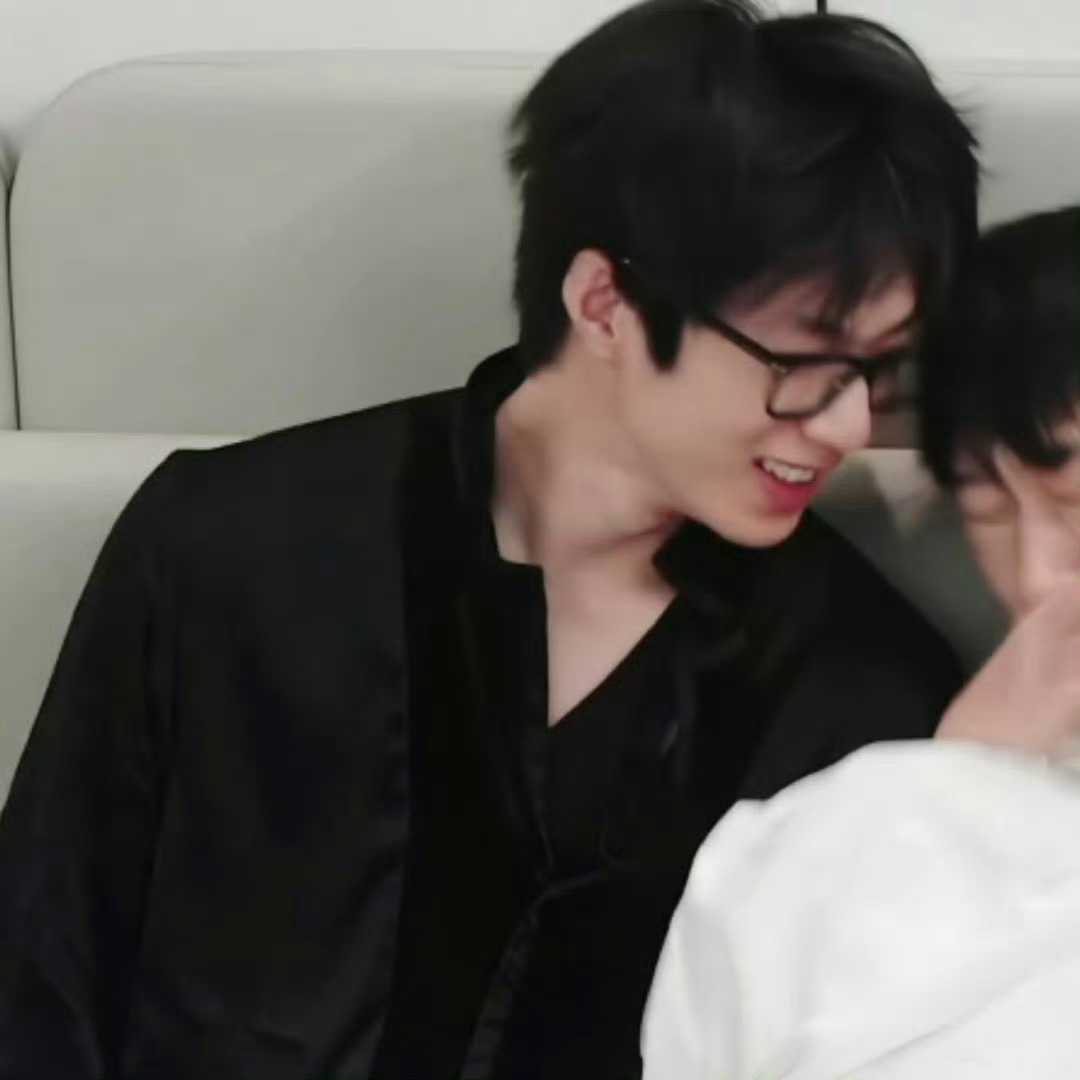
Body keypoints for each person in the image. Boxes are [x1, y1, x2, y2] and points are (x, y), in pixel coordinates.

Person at [0, 2, 978, 1077]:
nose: (848, 425)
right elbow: (37, 983)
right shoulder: (225, 554)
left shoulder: (863, 692)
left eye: (880, 370)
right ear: (604, 302)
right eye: (805, 364)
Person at [643, 206, 1080, 1080]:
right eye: (987, 506)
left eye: (1074, 499)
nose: (1037, 578)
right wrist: (955, 790)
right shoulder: (812, 842)